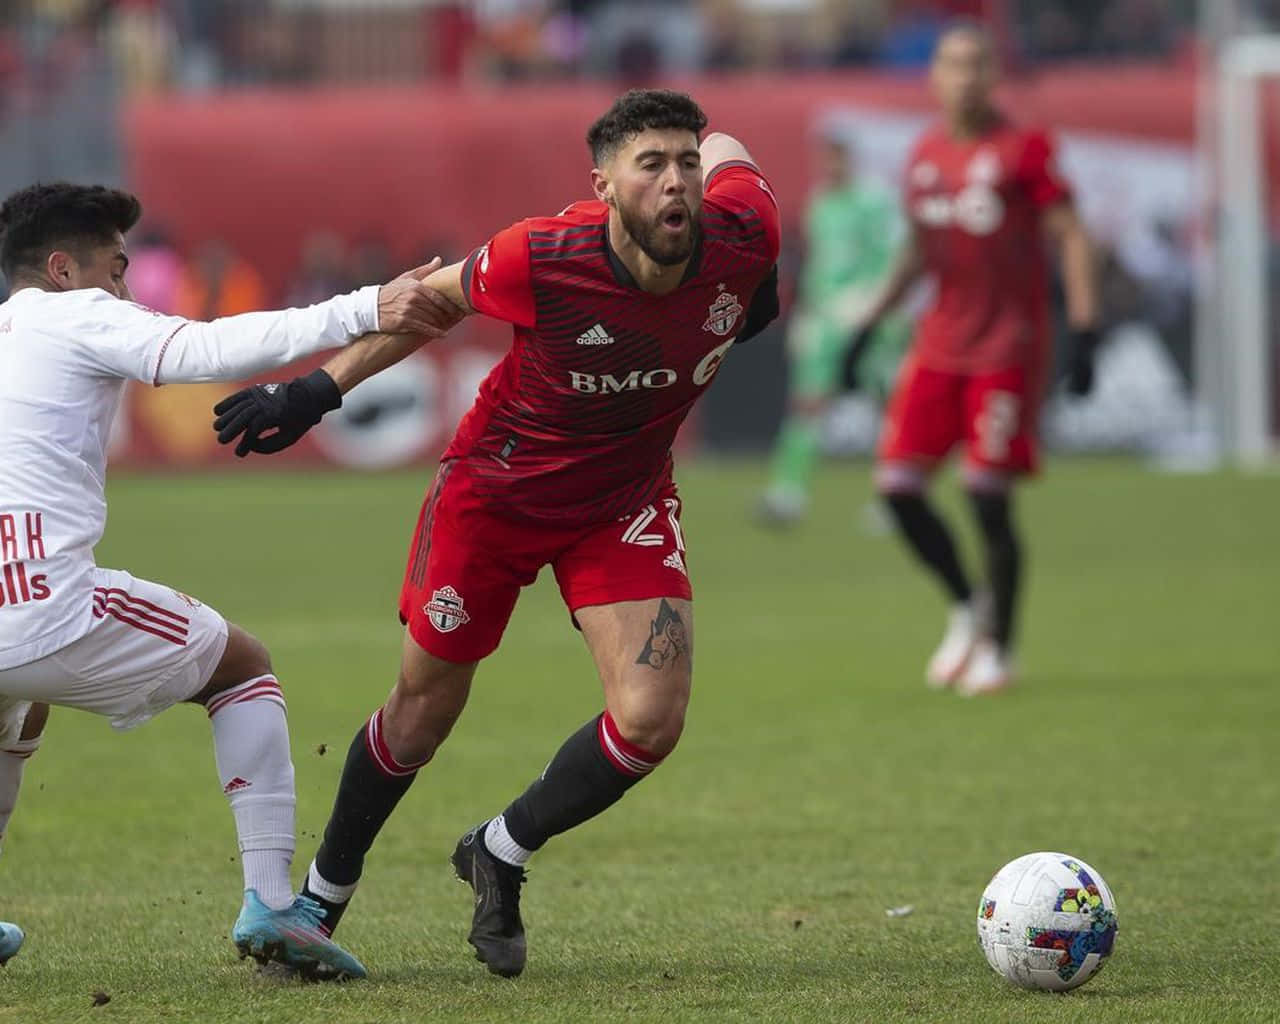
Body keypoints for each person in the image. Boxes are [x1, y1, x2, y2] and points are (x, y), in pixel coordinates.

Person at [213, 88, 780, 978]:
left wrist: (765, 279)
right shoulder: (541, 256)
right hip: (496, 494)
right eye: (652, 165)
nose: (676, 182)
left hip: (622, 499)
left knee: (651, 720)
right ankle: (321, 894)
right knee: (422, 713)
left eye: (686, 163)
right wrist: (314, 392)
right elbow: (429, 306)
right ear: (603, 186)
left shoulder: (744, 229)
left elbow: (737, 149)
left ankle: (501, 851)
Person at [0, 182, 462, 976]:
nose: (124, 289)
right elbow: (205, 351)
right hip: (46, 603)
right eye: (117, 268)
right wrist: (364, 308)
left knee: (19, 708)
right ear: (62, 268)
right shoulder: (75, 313)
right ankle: (274, 904)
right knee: (242, 668)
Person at [842, 21, 1100, 695]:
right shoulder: (925, 153)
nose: (967, 77)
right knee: (897, 489)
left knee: (987, 497)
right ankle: (966, 605)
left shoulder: (1025, 148)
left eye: (979, 65)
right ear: (935, 76)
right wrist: (869, 325)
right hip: (938, 343)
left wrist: (1086, 325)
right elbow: (917, 254)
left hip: (1006, 347)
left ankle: (1001, 652)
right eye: (955, 64)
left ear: (995, 76)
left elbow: (1071, 235)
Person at [758, 127, 910, 526]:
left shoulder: (874, 202)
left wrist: (877, 308)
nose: (831, 163)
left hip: (867, 317)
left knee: (889, 406)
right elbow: (818, 264)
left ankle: (896, 496)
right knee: (808, 403)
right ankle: (788, 493)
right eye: (826, 156)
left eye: (838, 155)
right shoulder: (820, 204)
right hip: (826, 319)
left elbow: (892, 258)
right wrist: (805, 313)